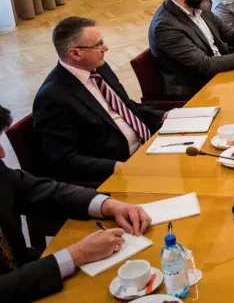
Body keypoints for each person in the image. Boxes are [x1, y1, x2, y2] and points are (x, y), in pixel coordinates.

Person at [1, 104, 153, 302]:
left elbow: (43, 190)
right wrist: (77, 254)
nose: (2, 153)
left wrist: (108, 205)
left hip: (33, 273)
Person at [32, 17, 164, 184]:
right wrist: (117, 167)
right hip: (117, 173)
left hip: (150, 147)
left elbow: (127, 106)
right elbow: (62, 159)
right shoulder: (52, 97)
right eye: (98, 45)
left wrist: (166, 117)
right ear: (75, 53)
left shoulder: (99, 67)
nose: (106, 48)